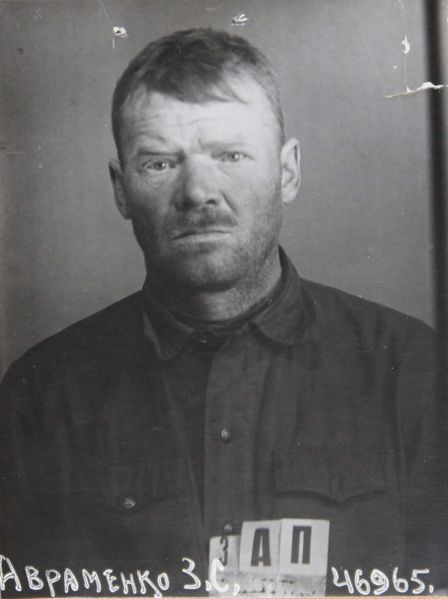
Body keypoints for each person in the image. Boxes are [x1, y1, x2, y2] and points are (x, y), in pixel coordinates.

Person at [0, 28, 446, 597]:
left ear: (287, 171)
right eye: (160, 163)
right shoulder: (40, 396)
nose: (198, 192)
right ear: (121, 189)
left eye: (230, 155)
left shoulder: (414, 372)